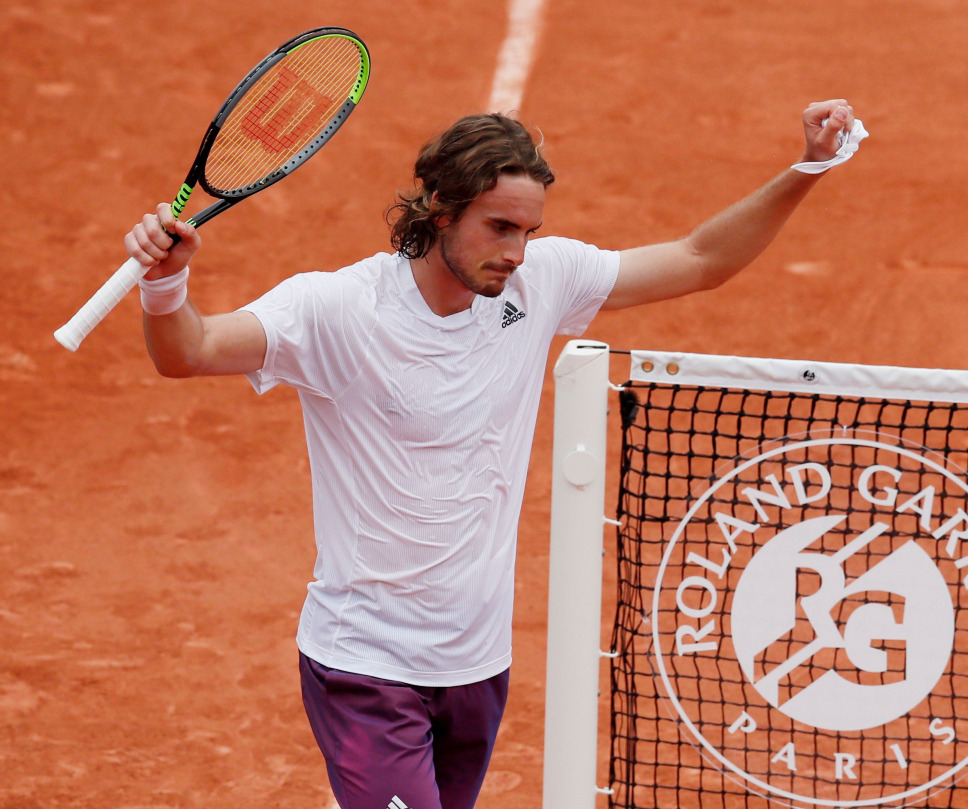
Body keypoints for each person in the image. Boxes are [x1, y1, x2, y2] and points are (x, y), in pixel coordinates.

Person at [124, 98, 864, 809]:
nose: (515, 253)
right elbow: (191, 351)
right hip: (366, 664)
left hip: (476, 666)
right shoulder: (336, 310)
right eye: (499, 227)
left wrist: (807, 168)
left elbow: (702, 258)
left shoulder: (539, 284)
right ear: (440, 210)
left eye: (528, 232)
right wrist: (166, 285)